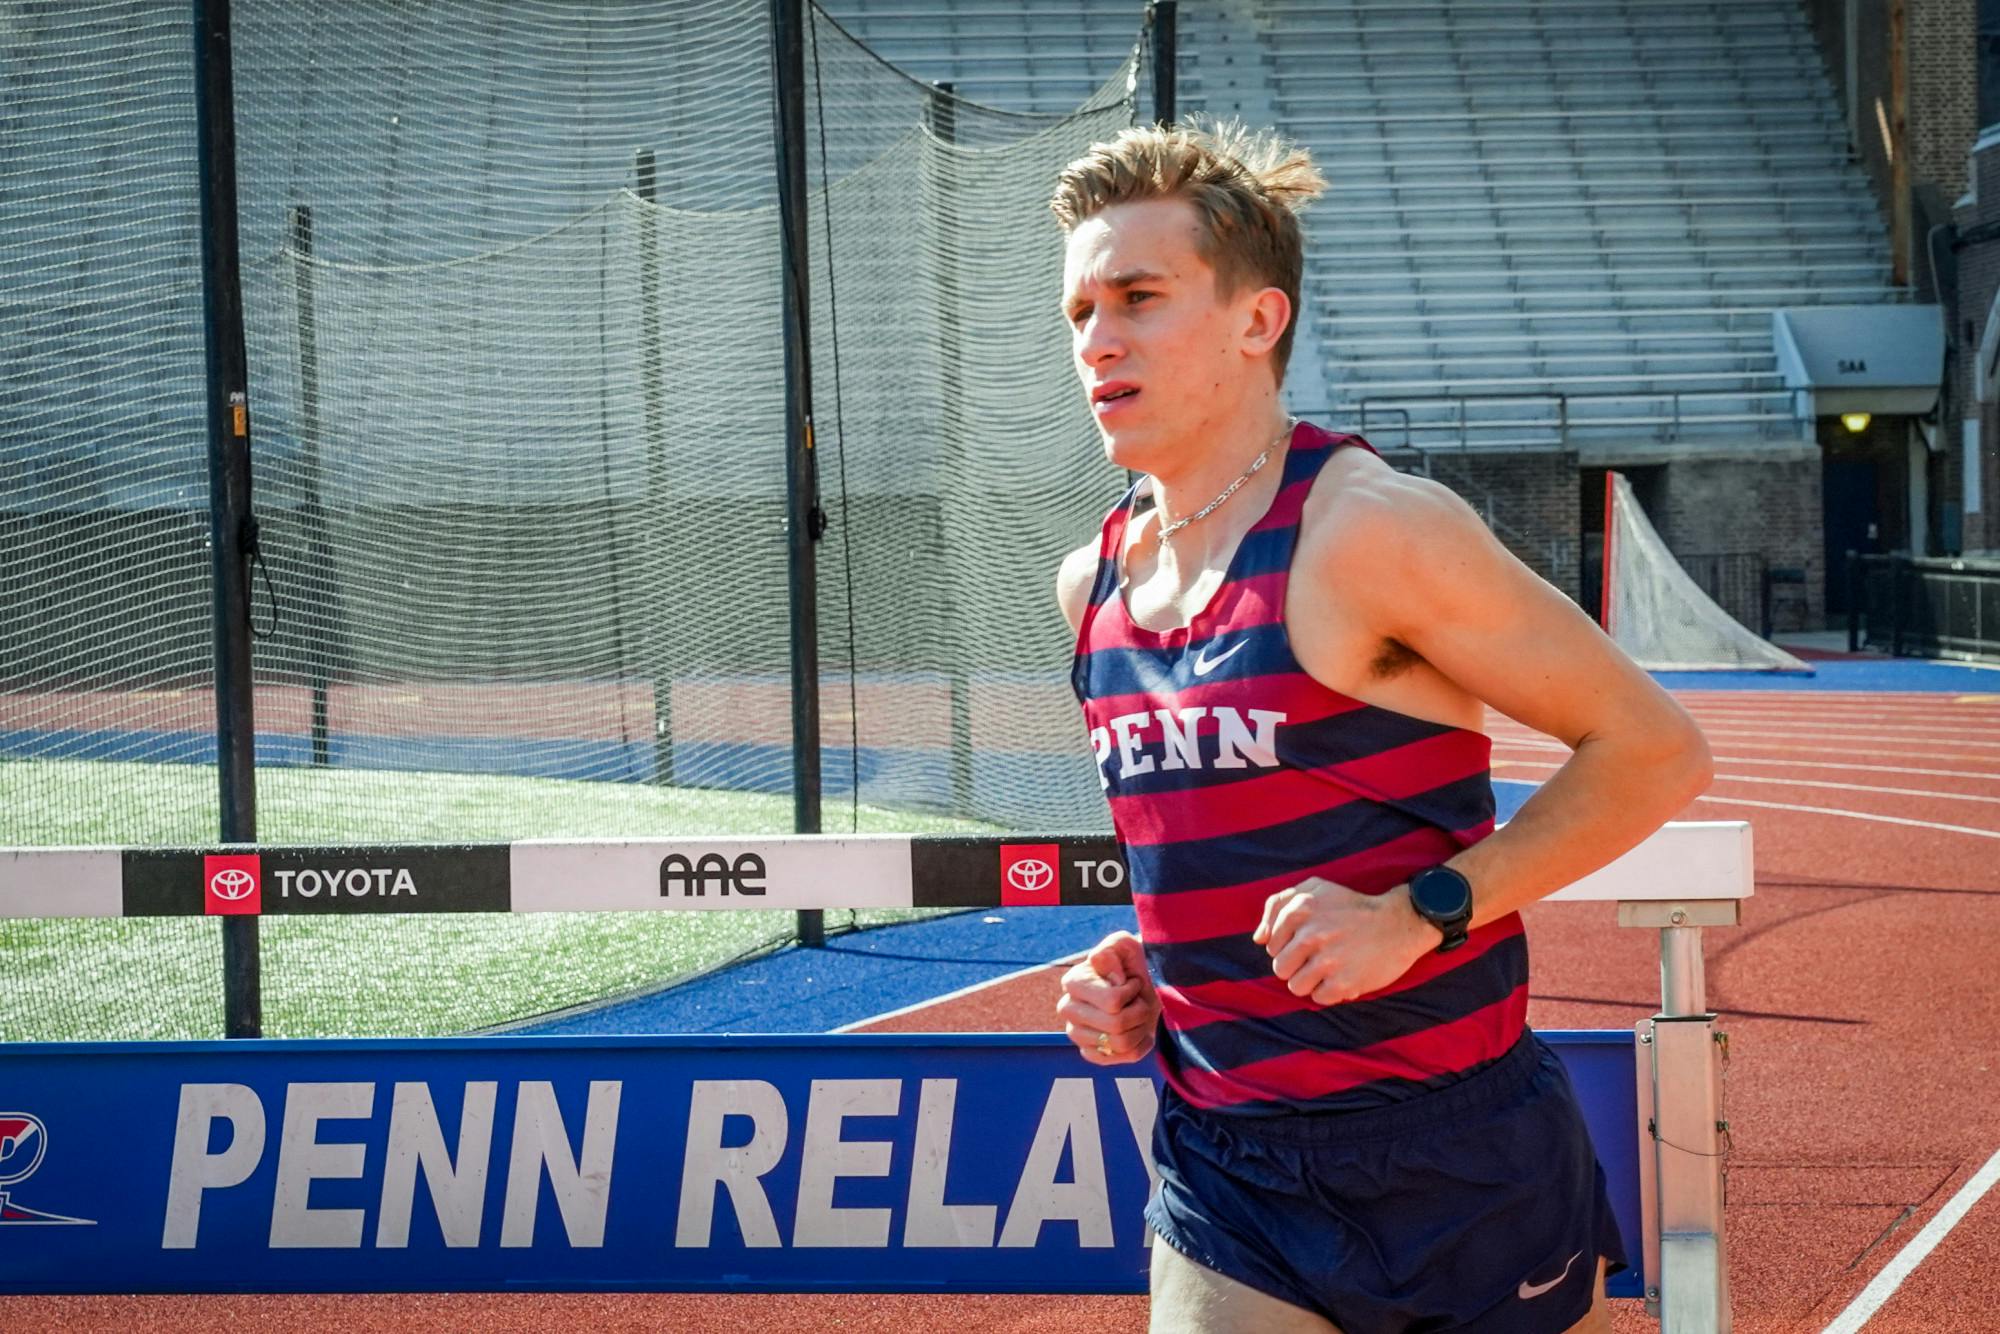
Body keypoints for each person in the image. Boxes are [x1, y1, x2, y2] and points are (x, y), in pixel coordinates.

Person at [1048, 120, 1714, 1334]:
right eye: (1080, 309)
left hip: (1454, 1150)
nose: (1097, 338)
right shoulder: (1086, 582)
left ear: (1257, 320)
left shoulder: (1368, 529)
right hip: (1224, 1163)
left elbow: (1653, 746)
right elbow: (1202, 840)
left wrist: (1418, 913)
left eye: (1138, 297)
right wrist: (1140, 968)